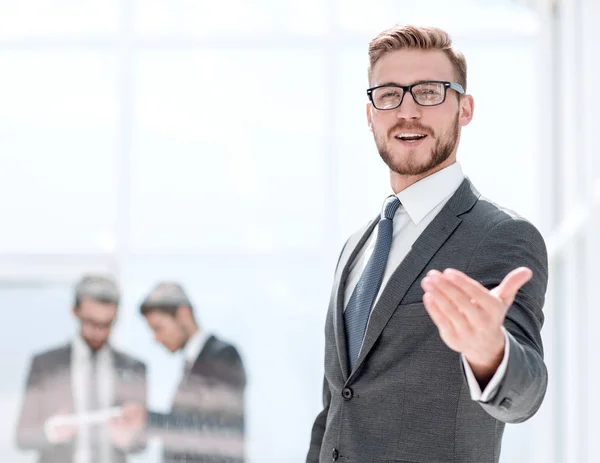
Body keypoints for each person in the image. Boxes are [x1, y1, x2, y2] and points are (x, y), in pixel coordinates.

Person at [307, 24, 548, 463]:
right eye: (389, 95)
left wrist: (490, 353)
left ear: (465, 108)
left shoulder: (500, 236)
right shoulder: (356, 247)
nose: (408, 111)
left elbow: (527, 388)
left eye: (430, 92)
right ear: (370, 114)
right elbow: (338, 405)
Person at [15, 274, 147, 463]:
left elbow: (141, 444)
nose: (99, 332)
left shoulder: (134, 368)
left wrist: (129, 438)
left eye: (107, 324)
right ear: (74, 311)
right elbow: (21, 437)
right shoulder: (46, 365)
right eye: (91, 322)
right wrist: (50, 432)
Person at [124, 282, 246, 463]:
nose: (156, 338)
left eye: (158, 328)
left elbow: (215, 426)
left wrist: (149, 419)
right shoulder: (193, 362)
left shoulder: (222, 356)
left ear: (183, 314)